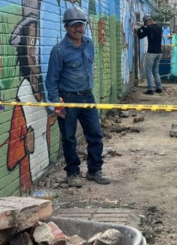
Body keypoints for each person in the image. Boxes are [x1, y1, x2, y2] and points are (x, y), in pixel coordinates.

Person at [46, 6, 111, 188]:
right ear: (66, 27)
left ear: (85, 26)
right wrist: (57, 104)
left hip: (88, 97)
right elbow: (51, 80)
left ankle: (94, 170)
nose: (77, 29)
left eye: (80, 25)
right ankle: (73, 173)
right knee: (68, 138)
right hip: (68, 99)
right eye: (73, 25)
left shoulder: (89, 44)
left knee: (95, 135)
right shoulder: (59, 51)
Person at [137, 15, 163, 95]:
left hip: (151, 53)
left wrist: (139, 28)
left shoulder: (148, 28)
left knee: (148, 71)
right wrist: (143, 27)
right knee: (155, 71)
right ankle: (159, 88)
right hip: (159, 53)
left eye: (146, 23)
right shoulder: (159, 28)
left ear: (148, 21)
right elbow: (150, 31)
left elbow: (140, 36)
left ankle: (150, 89)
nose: (146, 25)